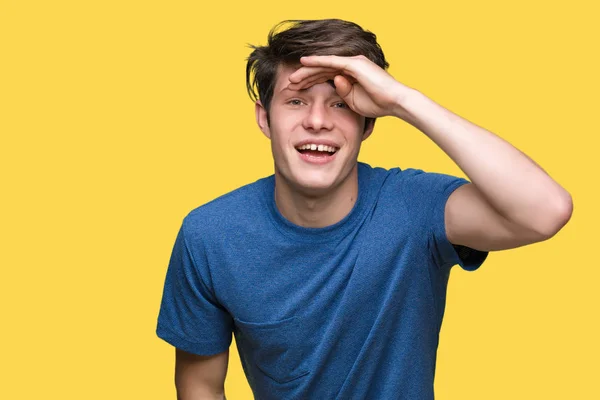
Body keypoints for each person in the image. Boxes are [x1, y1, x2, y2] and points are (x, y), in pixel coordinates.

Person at [156, 19, 572, 400]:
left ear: (369, 123)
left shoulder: (415, 208)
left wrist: (402, 100)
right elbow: (200, 388)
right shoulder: (210, 235)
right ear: (265, 119)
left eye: (340, 104)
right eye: (296, 101)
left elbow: (545, 210)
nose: (318, 121)